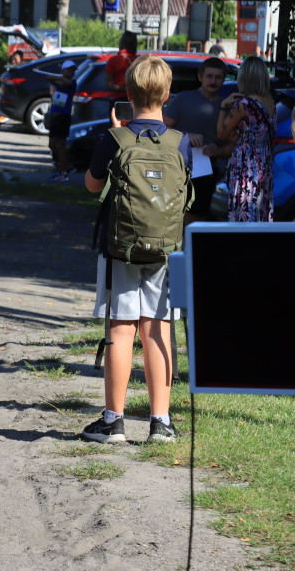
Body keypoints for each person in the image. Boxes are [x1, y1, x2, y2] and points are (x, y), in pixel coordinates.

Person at [81, 55, 192, 444]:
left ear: (127, 93)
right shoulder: (182, 144)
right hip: (165, 251)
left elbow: (92, 187)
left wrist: (116, 137)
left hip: (121, 250)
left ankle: (113, 420)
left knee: (121, 331)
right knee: (158, 330)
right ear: (166, 95)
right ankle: (161, 422)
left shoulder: (114, 140)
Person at [164, 57, 232, 223]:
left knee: (196, 219)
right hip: (177, 167)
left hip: (208, 171)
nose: (213, 81)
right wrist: (187, 136)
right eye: (209, 76)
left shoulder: (227, 107)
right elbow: (162, 131)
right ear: (200, 77)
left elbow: (232, 145)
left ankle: (190, 248)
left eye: (218, 77)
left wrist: (219, 151)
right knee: (171, 216)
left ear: (224, 79)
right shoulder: (182, 99)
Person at [218, 55, 275, 222]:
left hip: (246, 167)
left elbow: (221, 133)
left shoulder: (243, 104)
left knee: (243, 217)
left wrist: (223, 107)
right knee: (260, 216)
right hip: (264, 167)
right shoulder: (270, 102)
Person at [41, 59, 77, 182]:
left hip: (63, 117)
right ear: (63, 70)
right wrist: (52, 78)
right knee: (52, 144)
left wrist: (55, 78)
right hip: (55, 117)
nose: (72, 72)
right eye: (70, 69)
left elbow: (64, 82)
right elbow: (49, 79)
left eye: (73, 70)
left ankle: (63, 172)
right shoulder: (59, 82)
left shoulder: (72, 82)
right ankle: (66, 164)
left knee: (60, 144)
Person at [104, 30, 137, 96]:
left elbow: (108, 84)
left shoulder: (113, 60)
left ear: (121, 43)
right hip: (135, 100)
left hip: (118, 98)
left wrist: (121, 88)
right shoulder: (139, 61)